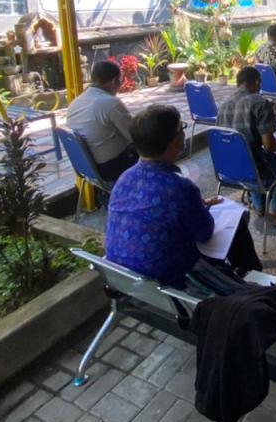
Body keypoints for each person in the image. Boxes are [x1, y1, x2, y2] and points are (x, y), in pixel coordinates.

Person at [104, 105, 262, 288]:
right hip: (171, 282)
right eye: (181, 128)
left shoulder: (124, 179)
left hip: (125, 280)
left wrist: (197, 205)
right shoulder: (180, 188)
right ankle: (253, 281)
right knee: (237, 221)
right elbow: (204, 233)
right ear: (174, 142)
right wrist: (200, 209)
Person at [217, 66, 276, 226]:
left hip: (229, 169)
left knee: (248, 154)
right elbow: (269, 146)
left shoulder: (223, 106)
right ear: (257, 82)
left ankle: (259, 204)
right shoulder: (260, 103)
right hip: (255, 169)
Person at [65, 60, 137, 183]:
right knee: (152, 147)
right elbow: (134, 135)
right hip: (111, 168)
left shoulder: (75, 102)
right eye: (120, 80)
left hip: (87, 167)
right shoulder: (110, 103)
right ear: (114, 81)